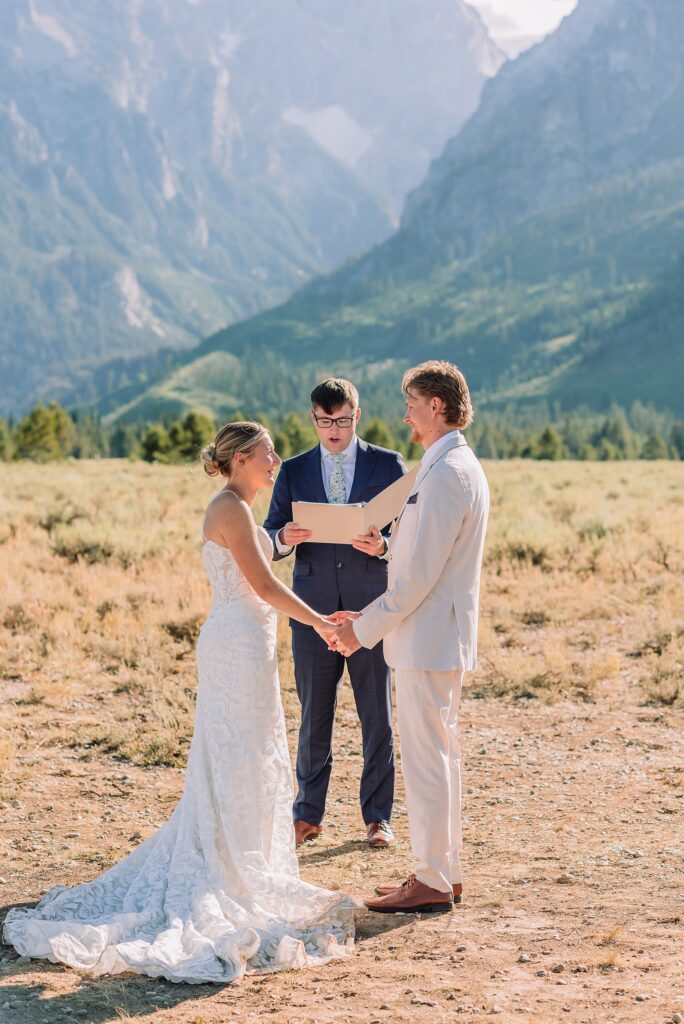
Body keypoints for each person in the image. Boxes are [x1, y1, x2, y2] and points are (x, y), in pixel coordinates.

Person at [4, 422, 355, 983]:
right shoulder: (230, 510)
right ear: (241, 458)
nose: (276, 460)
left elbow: (261, 570)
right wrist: (320, 622)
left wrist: (285, 539)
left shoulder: (239, 508)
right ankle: (229, 867)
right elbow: (262, 586)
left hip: (249, 644)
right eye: (268, 453)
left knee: (248, 754)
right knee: (235, 755)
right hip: (237, 646)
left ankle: (244, 858)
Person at [330, 361, 490, 914]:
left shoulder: (448, 472)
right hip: (433, 637)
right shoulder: (448, 465)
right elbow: (425, 557)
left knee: (429, 760)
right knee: (439, 756)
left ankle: (432, 878)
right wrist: (387, 549)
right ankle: (444, 870)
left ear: (437, 406)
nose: (406, 415)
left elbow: (423, 578)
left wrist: (360, 629)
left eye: (413, 404)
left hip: (428, 639)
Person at [264, 379, 406, 849]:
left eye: (342, 421)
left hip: (371, 609)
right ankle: (307, 815)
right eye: (325, 422)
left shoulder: (388, 465)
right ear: (313, 419)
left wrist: (384, 545)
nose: (334, 431)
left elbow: (414, 535)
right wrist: (287, 537)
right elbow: (268, 538)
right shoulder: (293, 470)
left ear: (357, 415)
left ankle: (378, 818)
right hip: (313, 610)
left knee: (377, 715)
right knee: (313, 715)